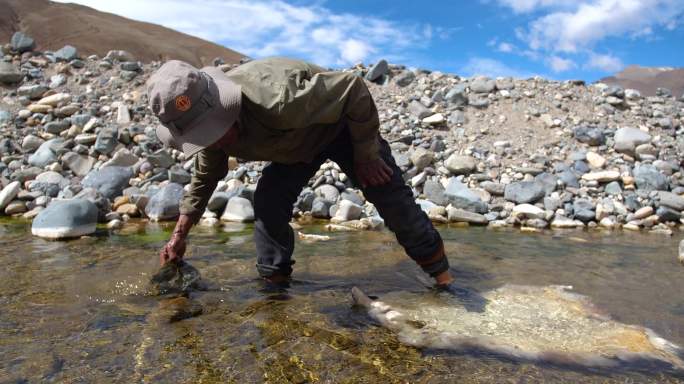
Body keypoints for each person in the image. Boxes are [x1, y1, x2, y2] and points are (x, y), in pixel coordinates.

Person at [147, 57, 454, 288]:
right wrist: (179, 236)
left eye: (213, 130)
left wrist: (367, 155)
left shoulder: (279, 100)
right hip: (293, 148)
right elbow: (205, 178)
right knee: (268, 204)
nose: (213, 140)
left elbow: (353, 88)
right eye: (203, 136)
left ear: (224, 105)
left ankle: (445, 282)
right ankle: (275, 289)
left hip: (340, 126)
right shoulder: (207, 132)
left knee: (387, 192)